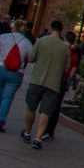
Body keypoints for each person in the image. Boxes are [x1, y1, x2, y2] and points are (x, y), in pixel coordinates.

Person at [20, 19, 72, 148]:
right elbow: (66, 68)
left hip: (37, 79)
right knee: (46, 112)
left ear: (50, 28)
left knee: (31, 107)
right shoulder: (64, 48)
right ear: (61, 31)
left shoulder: (41, 41)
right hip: (53, 83)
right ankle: (38, 138)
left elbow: (31, 59)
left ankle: (27, 133)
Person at [0, 18, 32, 132]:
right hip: (16, 72)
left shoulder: (4, 36)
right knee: (8, 97)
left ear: (13, 27)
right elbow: (30, 59)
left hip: (0, 67)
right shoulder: (27, 42)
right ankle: (1, 120)